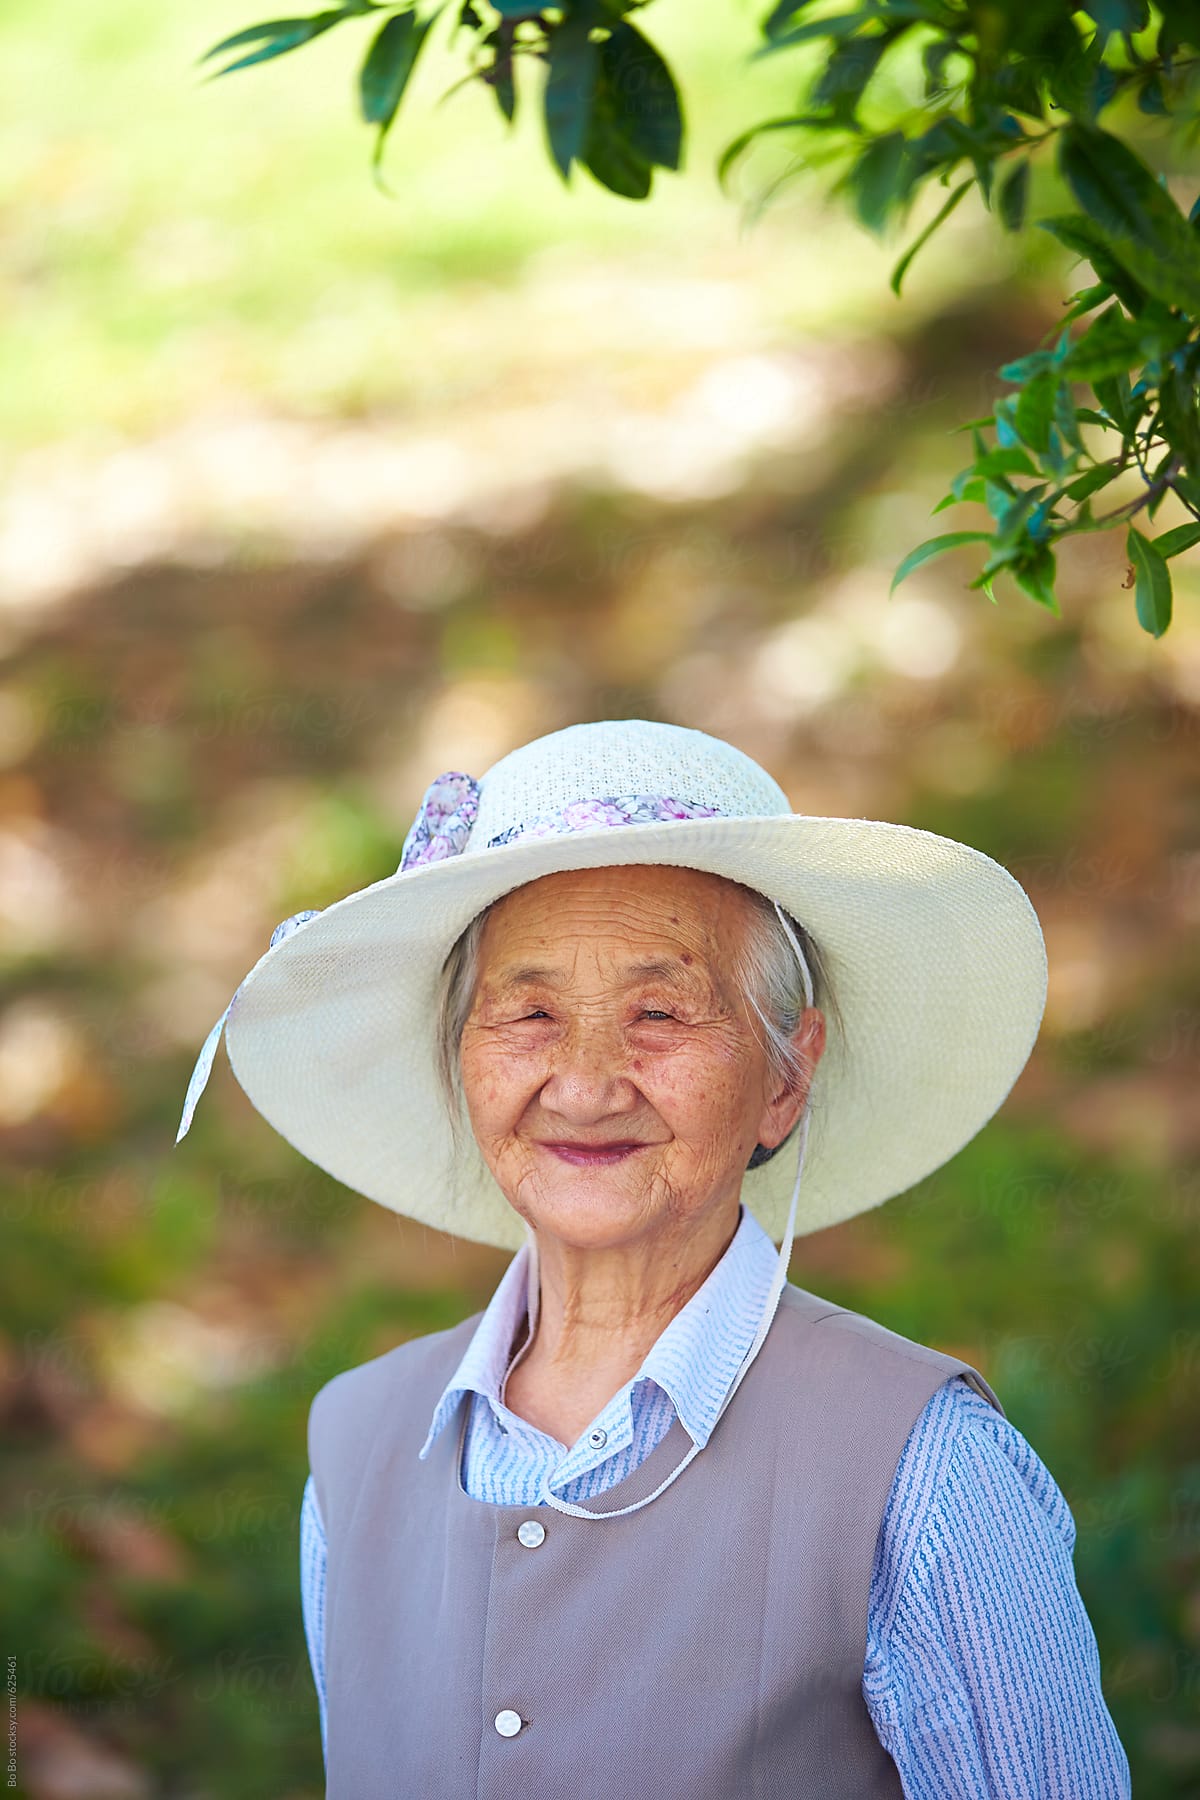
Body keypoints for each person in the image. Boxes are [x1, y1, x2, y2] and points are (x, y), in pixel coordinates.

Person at [175, 718, 1131, 1798]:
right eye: (529, 1012)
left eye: (660, 1012)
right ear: (464, 1060)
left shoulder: (922, 1467)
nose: (585, 1085)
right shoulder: (355, 1452)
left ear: (785, 1074)